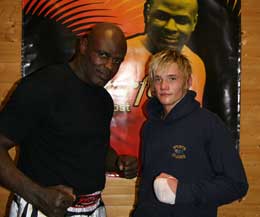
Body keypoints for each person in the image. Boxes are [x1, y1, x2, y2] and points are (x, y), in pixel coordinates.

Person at [0, 23, 137, 217]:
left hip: (93, 209)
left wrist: (117, 162)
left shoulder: (104, 100)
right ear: (83, 46)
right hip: (39, 209)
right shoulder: (42, 86)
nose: (109, 67)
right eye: (103, 55)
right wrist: (38, 195)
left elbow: (95, 149)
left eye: (117, 60)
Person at [132, 49, 248, 217]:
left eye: (172, 78)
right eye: (158, 79)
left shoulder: (209, 124)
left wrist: (182, 192)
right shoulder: (149, 127)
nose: (163, 86)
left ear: (188, 81)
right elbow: (146, 183)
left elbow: (237, 185)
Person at [105, 0, 206, 158]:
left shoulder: (196, 64)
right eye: (162, 16)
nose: (170, 27)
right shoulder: (119, 55)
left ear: (194, 22)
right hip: (117, 172)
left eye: (181, 20)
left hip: (169, 172)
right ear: (147, 13)